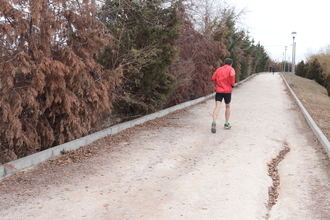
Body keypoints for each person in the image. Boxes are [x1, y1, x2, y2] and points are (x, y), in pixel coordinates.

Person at [211, 58, 235, 133]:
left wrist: (218, 83)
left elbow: (213, 78)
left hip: (219, 90)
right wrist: (232, 84)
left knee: (217, 106)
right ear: (231, 63)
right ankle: (226, 123)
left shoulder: (219, 69)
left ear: (224, 63)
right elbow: (232, 76)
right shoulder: (231, 69)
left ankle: (214, 122)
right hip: (227, 91)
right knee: (227, 106)